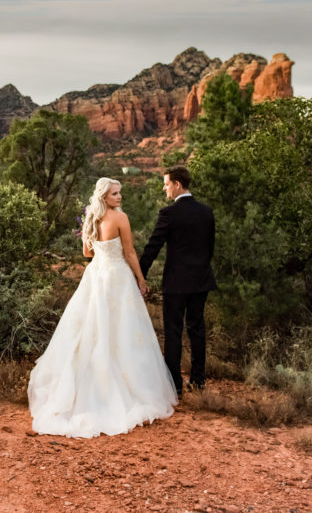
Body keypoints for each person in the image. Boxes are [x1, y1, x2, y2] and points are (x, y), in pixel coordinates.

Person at [28, 178, 177, 438]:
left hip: (96, 275)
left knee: (91, 328)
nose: (119, 197)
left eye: (120, 193)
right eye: (115, 194)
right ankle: (120, 388)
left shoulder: (91, 220)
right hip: (117, 277)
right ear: (105, 197)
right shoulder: (121, 219)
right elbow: (130, 252)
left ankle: (88, 386)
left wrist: (102, 252)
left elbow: (87, 252)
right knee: (122, 329)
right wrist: (141, 280)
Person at [139, 165, 217, 397]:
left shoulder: (169, 214)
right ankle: (198, 381)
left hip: (176, 282)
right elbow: (209, 248)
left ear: (177, 185)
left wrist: (139, 274)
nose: (165, 188)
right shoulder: (206, 212)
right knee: (197, 329)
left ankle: (175, 385)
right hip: (201, 280)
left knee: (173, 332)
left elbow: (153, 247)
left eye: (166, 184)